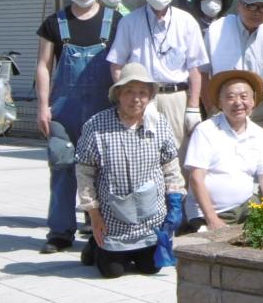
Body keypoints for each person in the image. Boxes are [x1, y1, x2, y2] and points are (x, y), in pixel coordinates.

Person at [35, 0, 122, 254]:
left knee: (103, 171)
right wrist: (43, 106)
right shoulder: (54, 22)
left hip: (102, 109)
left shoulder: (115, 21)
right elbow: (44, 66)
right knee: (62, 167)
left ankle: (100, 227)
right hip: (64, 110)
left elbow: (121, 66)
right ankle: (60, 233)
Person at [75, 63, 185, 278]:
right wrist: (94, 215)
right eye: (129, 92)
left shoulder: (159, 124)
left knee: (150, 267)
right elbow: (84, 172)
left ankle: (138, 250)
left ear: (150, 96)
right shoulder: (96, 125)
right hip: (112, 218)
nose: (136, 98)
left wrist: (174, 201)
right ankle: (95, 246)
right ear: (118, 94)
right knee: (112, 272)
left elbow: (171, 166)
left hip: (150, 217)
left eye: (143, 93)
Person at [106, 0, 209, 153]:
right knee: (141, 153)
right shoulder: (129, 22)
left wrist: (193, 107)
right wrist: (127, 97)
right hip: (142, 97)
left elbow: (195, 68)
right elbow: (116, 64)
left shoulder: (186, 21)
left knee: (179, 157)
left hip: (176, 97)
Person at [202, 0, 263, 187]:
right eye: (251, 6)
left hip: (261, 109)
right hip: (222, 108)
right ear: (239, 5)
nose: (257, 12)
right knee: (224, 170)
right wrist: (210, 109)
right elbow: (203, 72)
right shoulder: (216, 29)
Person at [182, 70, 263, 231]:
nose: (238, 102)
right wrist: (212, 219)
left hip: (246, 206)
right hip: (210, 213)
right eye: (230, 97)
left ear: (253, 101)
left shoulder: (260, 134)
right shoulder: (205, 130)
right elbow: (196, 178)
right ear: (220, 103)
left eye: (244, 97)